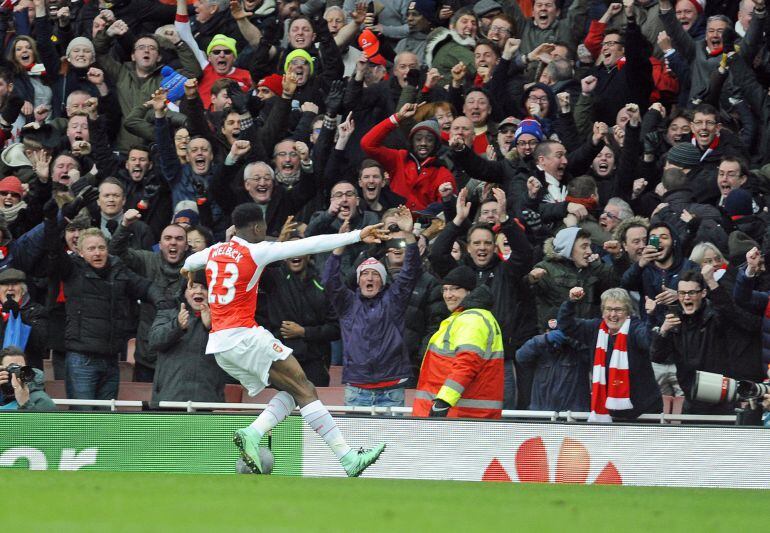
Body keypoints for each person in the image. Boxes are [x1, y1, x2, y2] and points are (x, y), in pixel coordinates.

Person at [180, 203, 388, 476]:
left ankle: (253, 433)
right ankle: (348, 458)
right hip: (244, 336)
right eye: (264, 226)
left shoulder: (214, 251)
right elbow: (310, 245)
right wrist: (357, 236)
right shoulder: (258, 250)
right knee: (305, 388)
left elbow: (188, 263)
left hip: (220, 345)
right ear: (257, 227)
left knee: (294, 389)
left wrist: (190, 271)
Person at [322, 206, 420, 408]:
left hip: (392, 388)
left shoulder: (394, 300)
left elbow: (410, 272)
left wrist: (409, 236)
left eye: (375, 274)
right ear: (358, 281)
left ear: (382, 281)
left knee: (391, 440)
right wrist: (341, 244)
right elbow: (330, 280)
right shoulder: (347, 303)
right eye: (365, 274)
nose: (369, 277)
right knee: (358, 441)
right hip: (357, 389)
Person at [412, 265, 505, 419]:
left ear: (469, 292)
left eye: (454, 289)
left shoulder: (472, 319)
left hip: (457, 416)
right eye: (445, 289)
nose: (448, 295)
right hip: (458, 415)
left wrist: (443, 401)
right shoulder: (468, 317)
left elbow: (467, 363)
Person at [558, 286, 662, 420]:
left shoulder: (635, 328)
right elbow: (566, 325)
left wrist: (651, 316)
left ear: (628, 312)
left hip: (644, 410)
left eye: (618, 310)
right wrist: (571, 302)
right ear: (602, 312)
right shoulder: (595, 328)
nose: (613, 315)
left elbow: (648, 340)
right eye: (609, 309)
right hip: (607, 411)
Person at [0, 346, 55, 411]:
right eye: (11, 368)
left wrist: (25, 403)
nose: (17, 372)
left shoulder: (41, 400)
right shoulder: (3, 394)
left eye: (21, 367)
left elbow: (41, 421)